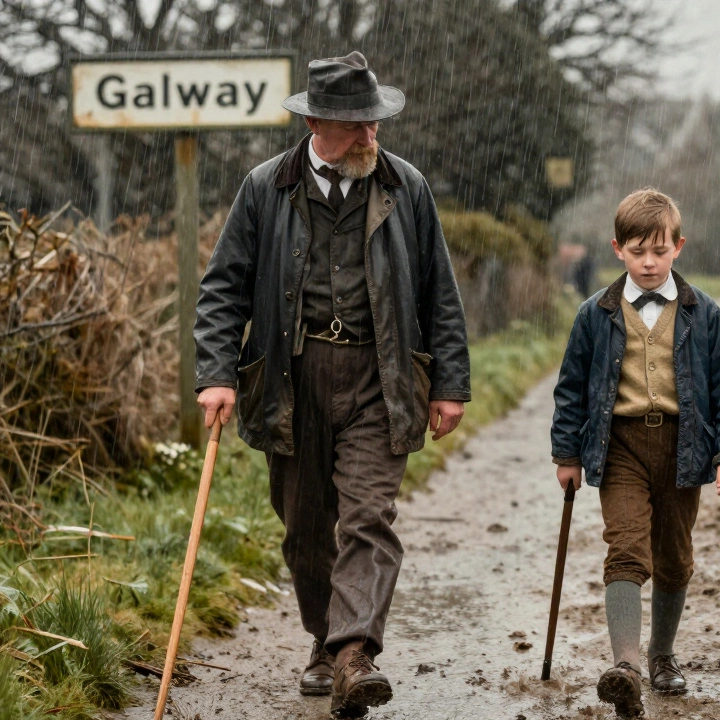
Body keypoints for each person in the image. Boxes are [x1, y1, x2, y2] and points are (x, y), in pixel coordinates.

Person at [193, 51, 470, 718]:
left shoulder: (408, 187)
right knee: (305, 533)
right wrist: (215, 374)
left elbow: (440, 293)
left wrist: (449, 383)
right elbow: (223, 288)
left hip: (383, 378)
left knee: (369, 517)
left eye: (375, 123)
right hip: (292, 379)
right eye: (356, 125)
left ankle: (353, 655)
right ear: (316, 121)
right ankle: (324, 638)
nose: (372, 136)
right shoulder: (267, 187)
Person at [550, 189, 720, 718]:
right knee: (625, 548)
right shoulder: (595, 313)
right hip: (619, 447)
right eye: (637, 250)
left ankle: (663, 656)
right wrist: (566, 454)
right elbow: (571, 389)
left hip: (684, 448)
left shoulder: (703, 313)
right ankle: (626, 666)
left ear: (678, 248)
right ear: (617, 248)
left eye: (658, 251)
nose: (647, 261)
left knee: (673, 556)